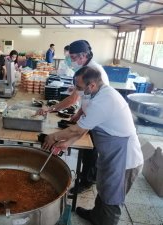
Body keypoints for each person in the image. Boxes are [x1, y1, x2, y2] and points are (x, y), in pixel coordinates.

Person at [42, 66, 143, 225]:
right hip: (111, 152)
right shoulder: (98, 94)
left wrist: (52, 137)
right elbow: (87, 126)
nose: (77, 90)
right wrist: (68, 143)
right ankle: (96, 217)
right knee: (103, 186)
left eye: (80, 87)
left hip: (125, 158)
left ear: (92, 85)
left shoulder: (104, 101)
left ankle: (106, 221)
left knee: (112, 198)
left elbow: (78, 128)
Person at [38, 40, 110, 193]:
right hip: (89, 114)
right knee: (85, 149)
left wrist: (51, 109)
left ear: (83, 55)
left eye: (73, 57)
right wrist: (78, 113)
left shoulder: (92, 70)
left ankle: (87, 181)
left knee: (90, 150)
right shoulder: (86, 68)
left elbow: (73, 99)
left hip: (98, 120)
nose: (71, 61)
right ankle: (87, 177)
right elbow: (86, 98)